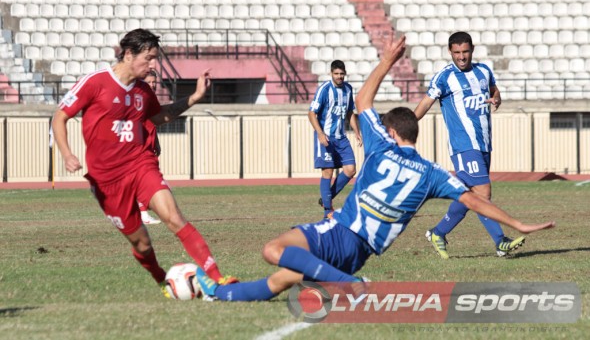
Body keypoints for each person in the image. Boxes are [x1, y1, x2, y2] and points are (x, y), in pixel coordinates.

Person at [193, 35, 555, 302]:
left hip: (340, 231)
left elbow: (362, 99)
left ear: (391, 131)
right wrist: (519, 223)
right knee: (285, 276)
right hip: (361, 250)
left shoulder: (380, 147)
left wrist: (386, 62)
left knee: (273, 250)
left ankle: (350, 286)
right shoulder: (432, 173)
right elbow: (475, 201)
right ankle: (220, 294)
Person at [51, 29, 236, 298]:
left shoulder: (142, 91)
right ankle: (162, 279)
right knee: (142, 243)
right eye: (148, 59)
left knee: (174, 218)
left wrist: (195, 98)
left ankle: (219, 277)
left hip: (141, 164)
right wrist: (67, 154)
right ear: (128, 54)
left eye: (155, 59)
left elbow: (160, 117)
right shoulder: (95, 83)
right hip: (107, 180)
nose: (153, 65)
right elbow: (59, 117)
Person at [414, 31, 522, 259]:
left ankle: (438, 232)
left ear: (472, 50)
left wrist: (497, 99)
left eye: (465, 52)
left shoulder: (483, 71)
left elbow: (494, 89)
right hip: (464, 145)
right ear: (450, 52)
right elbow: (424, 104)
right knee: (483, 192)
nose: (461, 57)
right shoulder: (444, 77)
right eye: (457, 53)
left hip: (484, 143)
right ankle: (500, 242)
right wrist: (407, 128)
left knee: (468, 195)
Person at [308, 60, 362, 219]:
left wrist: (357, 132)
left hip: (341, 137)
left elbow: (350, 112)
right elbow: (311, 113)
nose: (339, 77)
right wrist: (319, 133)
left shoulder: (348, 89)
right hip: (326, 137)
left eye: (341, 74)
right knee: (328, 172)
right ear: (331, 74)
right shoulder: (324, 89)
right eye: (336, 74)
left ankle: (326, 198)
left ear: (345, 74)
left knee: (351, 170)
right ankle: (327, 211)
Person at [139, 70, 162, 225]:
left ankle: (141, 212)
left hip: (150, 144)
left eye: (154, 82)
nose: (152, 85)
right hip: (140, 146)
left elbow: (153, 123)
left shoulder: (151, 98)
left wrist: (157, 142)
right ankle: (143, 214)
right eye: (149, 82)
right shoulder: (139, 98)